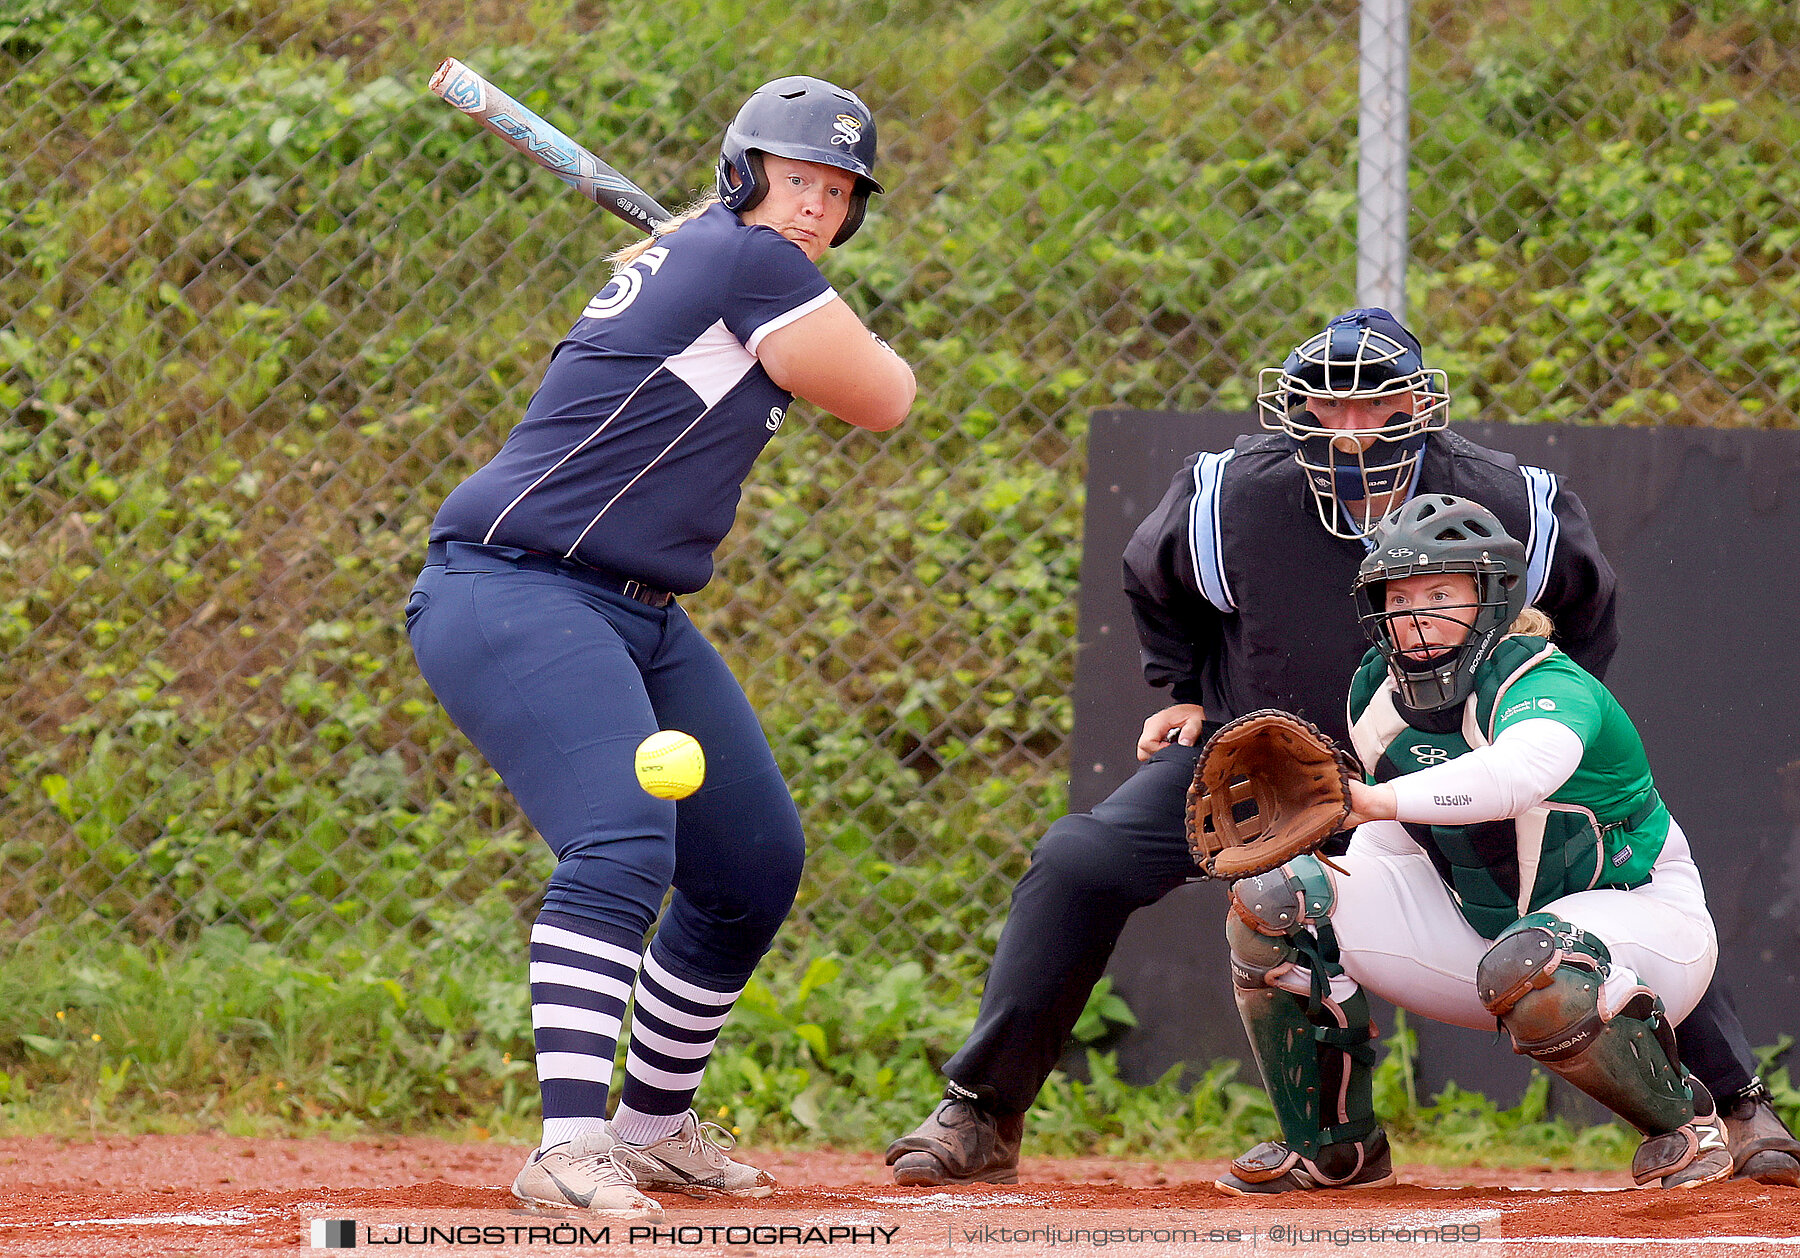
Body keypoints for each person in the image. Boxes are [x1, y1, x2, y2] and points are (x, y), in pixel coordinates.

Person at [884, 308, 1799, 1187]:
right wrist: (1189, 691)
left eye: (1376, 404)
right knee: (1081, 859)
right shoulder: (1233, 495)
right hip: (1270, 760)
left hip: (1437, 761)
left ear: (1421, 406)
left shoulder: (1506, 498)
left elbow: (1585, 607)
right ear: (1294, 406)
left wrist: (1529, 717)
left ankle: (1738, 1102)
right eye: (1327, 403)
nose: (1351, 428)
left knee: (1588, 875)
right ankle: (982, 1110)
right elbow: (1155, 581)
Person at [408, 75, 915, 1217]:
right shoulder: (747, 266)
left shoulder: (728, 266)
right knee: (624, 838)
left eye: (837, 193)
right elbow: (887, 395)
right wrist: (825, 306)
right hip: (513, 586)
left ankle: (652, 1128)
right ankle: (569, 1145)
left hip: (635, 606)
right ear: (741, 176)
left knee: (750, 862)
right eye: (793, 181)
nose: (814, 209)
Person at [1217, 494, 1730, 1192]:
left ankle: (1685, 1127)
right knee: (1277, 901)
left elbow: (1518, 775)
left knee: (1536, 962)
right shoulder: (1375, 691)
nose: (1415, 613)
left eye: (1439, 592)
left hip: (1642, 928)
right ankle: (1334, 1148)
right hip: (1486, 941)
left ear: (1491, 597)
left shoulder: (1541, 678)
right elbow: (1397, 851)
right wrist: (1327, 872)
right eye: (1398, 596)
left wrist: (1372, 801)